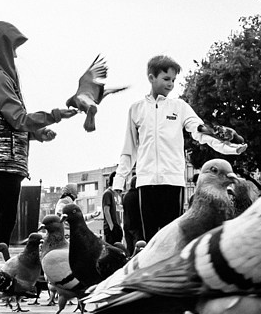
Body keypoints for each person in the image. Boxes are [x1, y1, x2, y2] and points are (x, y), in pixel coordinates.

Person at [110, 55, 238, 241]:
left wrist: (229, 147)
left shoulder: (179, 107)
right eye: (166, 79)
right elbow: (129, 150)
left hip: (173, 183)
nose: (171, 84)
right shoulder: (136, 109)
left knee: (173, 239)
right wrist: (119, 182)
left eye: (173, 80)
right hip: (145, 184)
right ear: (151, 77)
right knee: (150, 241)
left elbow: (199, 131)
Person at [0, 21, 76, 248]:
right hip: (5, 160)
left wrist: (37, 134)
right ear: (0, 47)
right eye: (12, 48)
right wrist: (55, 114)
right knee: (6, 219)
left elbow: (6, 124)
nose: (15, 55)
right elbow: (19, 119)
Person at [101, 173, 123, 245]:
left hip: (117, 226)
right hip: (111, 227)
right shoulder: (108, 193)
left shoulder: (115, 194)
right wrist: (111, 226)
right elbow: (106, 210)